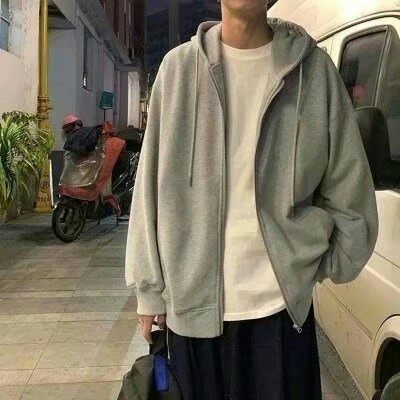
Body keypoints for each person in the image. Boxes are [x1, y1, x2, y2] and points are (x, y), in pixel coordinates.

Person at [125, 1, 379, 399]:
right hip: (192, 315)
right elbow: (148, 189)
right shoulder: (177, 71)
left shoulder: (313, 72)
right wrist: (148, 289)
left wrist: (313, 264)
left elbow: (350, 187)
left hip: (279, 313)